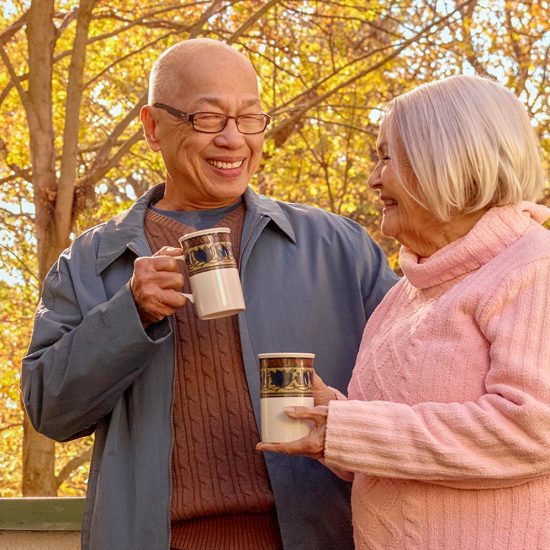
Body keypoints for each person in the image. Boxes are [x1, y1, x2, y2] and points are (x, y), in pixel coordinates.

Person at [21, 38, 397, 550]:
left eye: (249, 118)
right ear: (153, 127)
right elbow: (50, 412)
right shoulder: (91, 262)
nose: (233, 140)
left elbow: (417, 389)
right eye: (208, 119)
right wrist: (129, 314)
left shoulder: (338, 248)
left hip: (324, 535)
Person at [258, 74, 550, 549]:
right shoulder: (404, 296)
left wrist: (348, 428)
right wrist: (328, 420)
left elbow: (532, 429)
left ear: (450, 158)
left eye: (387, 156)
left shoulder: (534, 268)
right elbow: (387, 455)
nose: (374, 178)